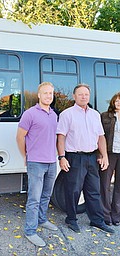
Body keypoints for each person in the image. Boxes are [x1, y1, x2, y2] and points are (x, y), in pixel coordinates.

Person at [56, 84, 114, 234]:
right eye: (80, 94)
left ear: (89, 96)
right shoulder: (67, 114)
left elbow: (100, 137)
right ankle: (71, 219)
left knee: (94, 191)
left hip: (92, 157)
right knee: (73, 190)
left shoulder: (95, 114)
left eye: (86, 94)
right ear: (74, 97)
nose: (83, 97)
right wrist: (62, 157)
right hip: (74, 157)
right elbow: (60, 137)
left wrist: (105, 156)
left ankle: (97, 220)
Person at [16, 82, 58, 247]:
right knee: (34, 198)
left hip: (51, 162)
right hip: (36, 162)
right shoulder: (30, 114)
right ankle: (30, 231)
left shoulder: (54, 115)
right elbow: (20, 137)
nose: (48, 96)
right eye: (45, 93)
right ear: (39, 95)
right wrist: (25, 155)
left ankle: (42, 220)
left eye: (51, 93)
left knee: (46, 195)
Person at [100, 92, 120, 226]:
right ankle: (105, 216)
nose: (118, 102)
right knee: (105, 185)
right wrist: (101, 155)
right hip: (109, 153)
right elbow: (99, 136)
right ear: (113, 102)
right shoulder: (104, 116)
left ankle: (116, 215)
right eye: (117, 100)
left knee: (119, 186)